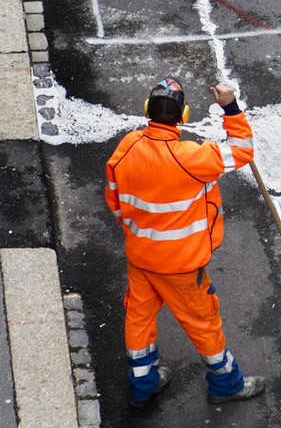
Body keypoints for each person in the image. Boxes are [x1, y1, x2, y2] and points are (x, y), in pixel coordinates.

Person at [104, 76, 266, 407]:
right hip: (180, 266)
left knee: (139, 318)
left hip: (140, 256)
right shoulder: (192, 157)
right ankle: (225, 383)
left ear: (147, 110)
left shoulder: (127, 147)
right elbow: (243, 150)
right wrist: (230, 107)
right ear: (184, 116)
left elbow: (115, 202)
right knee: (203, 322)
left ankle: (143, 382)